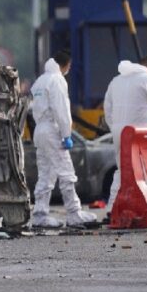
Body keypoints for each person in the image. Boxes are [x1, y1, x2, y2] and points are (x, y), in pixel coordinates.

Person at [29, 51, 97, 228]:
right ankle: (74, 213)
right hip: (53, 130)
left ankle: (40, 214)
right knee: (66, 171)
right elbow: (62, 111)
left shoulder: (40, 81)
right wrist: (66, 134)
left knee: (46, 174)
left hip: (40, 130)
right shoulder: (57, 80)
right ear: (66, 65)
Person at [102, 55, 147, 216]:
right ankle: (142, 208)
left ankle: (112, 208)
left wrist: (115, 127)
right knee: (142, 170)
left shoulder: (116, 80)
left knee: (121, 169)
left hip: (118, 131)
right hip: (139, 131)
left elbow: (107, 109)